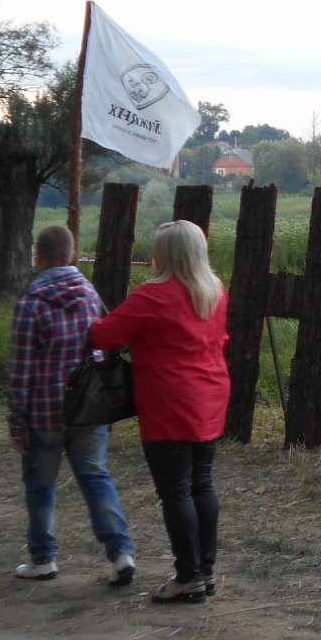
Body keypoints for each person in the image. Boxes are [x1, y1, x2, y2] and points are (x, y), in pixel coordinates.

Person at [90, 220, 229, 604]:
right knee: (201, 484)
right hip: (210, 393)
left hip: (169, 399)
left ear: (164, 254)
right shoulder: (214, 290)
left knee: (175, 491)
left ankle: (188, 576)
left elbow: (104, 335)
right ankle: (205, 570)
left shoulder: (153, 295)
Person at [8, 225, 136, 585]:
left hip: (44, 411)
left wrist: (17, 422)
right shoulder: (90, 295)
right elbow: (104, 348)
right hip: (88, 407)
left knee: (40, 485)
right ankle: (121, 553)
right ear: (74, 255)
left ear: (38, 257)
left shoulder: (30, 303)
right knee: (96, 477)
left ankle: (43, 559)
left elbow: (20, 371)